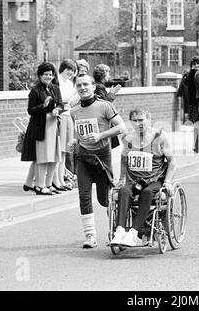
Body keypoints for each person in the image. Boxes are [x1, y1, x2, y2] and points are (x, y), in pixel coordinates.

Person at [69, 74, 126, 248]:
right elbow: (77, 131)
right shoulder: (74, 110)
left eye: (86, 84)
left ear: (93, 87)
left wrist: (100, 135)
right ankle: (90, 236)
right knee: (84, 196)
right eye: (79, 85)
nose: (83, 88)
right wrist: (74, 141)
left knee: (105, 199)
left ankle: (116, 231)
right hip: (83, 156)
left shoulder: (104, 106)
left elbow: (121, 127)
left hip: (102, 155)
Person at [110, 108, 176, 247]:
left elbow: (172, 162)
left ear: (149, 119)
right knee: (124, 192)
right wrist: (122, 179)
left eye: (141, 120)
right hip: (134, 180)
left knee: (146, 193)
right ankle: (120, 231)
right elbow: (123, 159)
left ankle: (133, 233)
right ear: (130, 122)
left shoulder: (159, 136)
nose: (139, 123)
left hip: (154, 179)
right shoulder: (128, 138)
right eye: (135, 120)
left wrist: (168, 182)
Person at [21, 62, 64, 196]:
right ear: (40, 75)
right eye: (46, 74)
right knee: (43, 158)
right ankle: (39, 185)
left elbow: (61, 103)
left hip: (53, 126)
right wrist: (44, 106)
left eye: (51, 74)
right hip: (41, 127)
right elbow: (31, 111)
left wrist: (58, 109)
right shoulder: (35, 90)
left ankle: (48, 184)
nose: (48, 77)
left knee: (55, 157)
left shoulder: (55, 88)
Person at [54, 59, 78, 191]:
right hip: (60, 116)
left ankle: (61, 179)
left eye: (72, 70)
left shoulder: (69, 83)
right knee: (59, 150)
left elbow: (71, 101)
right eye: (68, 69)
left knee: (65, 150)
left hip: (68, 116)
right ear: (62, 68)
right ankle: (56, 179)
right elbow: (62, 99)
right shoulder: (57, 81)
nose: (70, 72)